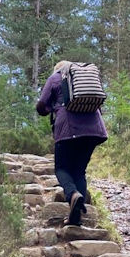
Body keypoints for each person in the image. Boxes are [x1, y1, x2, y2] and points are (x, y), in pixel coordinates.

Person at [36, 60, 108, 226]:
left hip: (68, 129)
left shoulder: (56, 77)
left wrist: (51, 108)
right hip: (93, 130)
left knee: (61, 168)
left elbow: (41, 106)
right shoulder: (87, 77)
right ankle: (76, 217)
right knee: (79, 171)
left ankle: (72, 194)